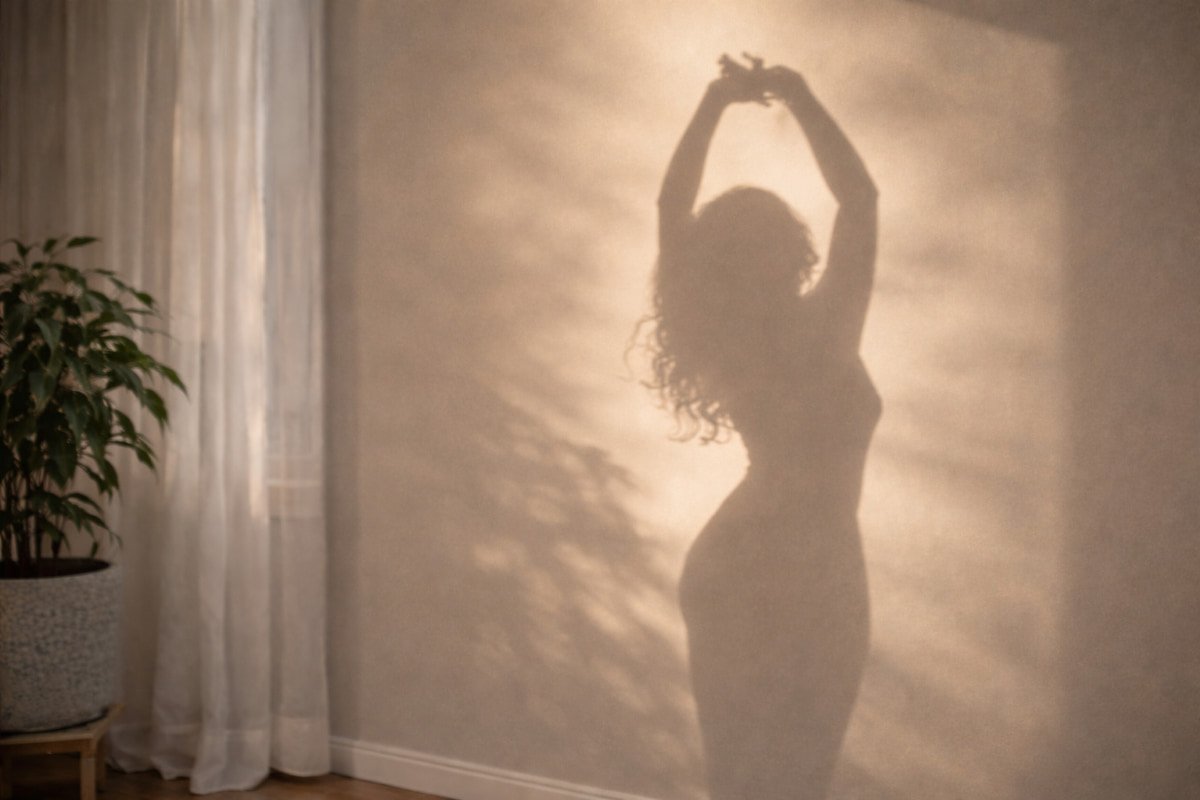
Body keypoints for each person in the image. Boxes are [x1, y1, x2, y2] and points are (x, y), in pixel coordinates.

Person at [640, 54, 879, 799]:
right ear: (792, 250)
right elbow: (861, 200)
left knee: (742, 777)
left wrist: (716, 103)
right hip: (804, 566)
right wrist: (799, 95)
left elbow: (670, 211)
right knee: (790, 780)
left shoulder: (724, 336)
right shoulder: (828, 326)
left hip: (746, 561)